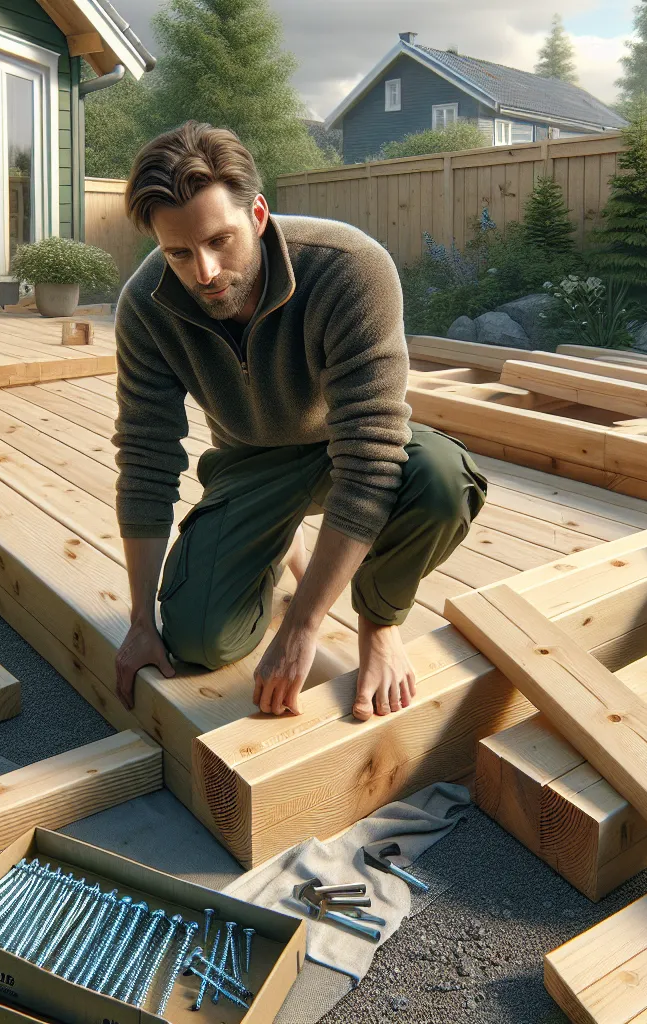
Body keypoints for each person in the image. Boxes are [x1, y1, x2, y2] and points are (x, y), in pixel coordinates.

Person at [110, 121, 487, 722]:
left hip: (348, 449)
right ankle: (283, 538)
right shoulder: (144, 306)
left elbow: (371, 460)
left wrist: (305, 626)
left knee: (444, 481)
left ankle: (380, 623)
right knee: (201, 641)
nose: (204, 272)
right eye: (178, 253)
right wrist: (138, 622)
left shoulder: (351, 269)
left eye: (220, 241)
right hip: (249, 464)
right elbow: (148, 458)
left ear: (258, 215)